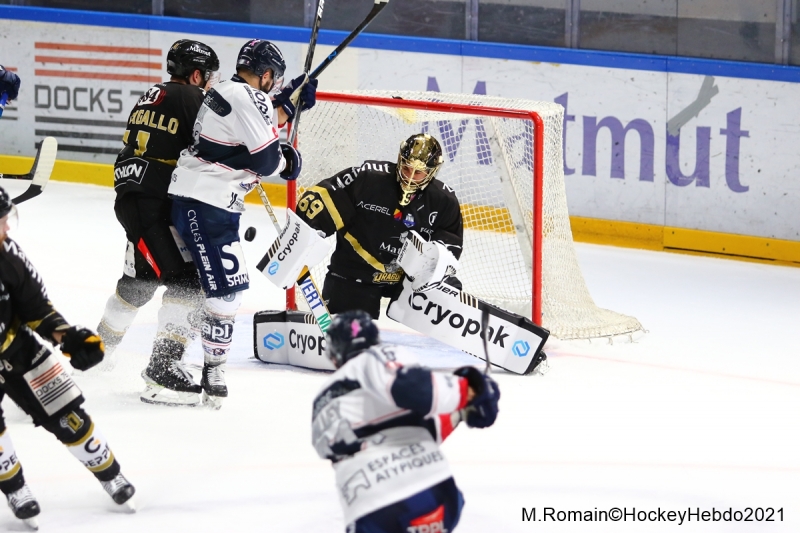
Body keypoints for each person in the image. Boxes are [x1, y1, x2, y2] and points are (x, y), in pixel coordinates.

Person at [168, 38, 318, 408]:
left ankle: (166, 363)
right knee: (227, 289)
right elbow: (266, 161)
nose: (275, 86)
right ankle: (212, 369)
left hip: (198, 198)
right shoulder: (248, 97)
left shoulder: (226, 89)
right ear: (266, 75)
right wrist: (288, 161)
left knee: (196, 288)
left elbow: (239, 139)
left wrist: (285, 105)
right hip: (208, 204)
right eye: (275, 80)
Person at [0, 187, 135, 529]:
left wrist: (67, 336)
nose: (7, 229)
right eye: (1, 222)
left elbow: (35, 307)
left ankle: (111, 476)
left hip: (16, 348)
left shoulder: (8, 256)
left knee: (67, 416)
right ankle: (16, 490)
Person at [95, 40, 220, 407]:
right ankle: (163, 371)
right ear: (196, 74)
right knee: (190, 284)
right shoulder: (192, 99)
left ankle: (96, 351)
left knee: (140, 281)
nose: (209, 84)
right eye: (208, 77)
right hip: (154, 207)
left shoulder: (154, 94)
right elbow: (225, 139)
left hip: (134, 199)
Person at [311, 310, 500, 532]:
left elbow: (396, 428)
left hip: (366, 513)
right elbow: (413, 388)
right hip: (427, 495)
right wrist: (471, 391)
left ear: (334, 353)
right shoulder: (374, 358)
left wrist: (461, 411)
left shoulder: (320, 400)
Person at [295, 133, 463, 319]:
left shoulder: (444, 201)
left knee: (445, 289)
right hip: (355, 273)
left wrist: (438, 272)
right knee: (350, 336)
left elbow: (450, 246)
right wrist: (306, 233)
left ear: (432, 172)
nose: (409, 177)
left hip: (409, 279)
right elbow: (325, 197)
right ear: (400, 160)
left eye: (418, 173)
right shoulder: (368, 178)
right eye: (407, 168)